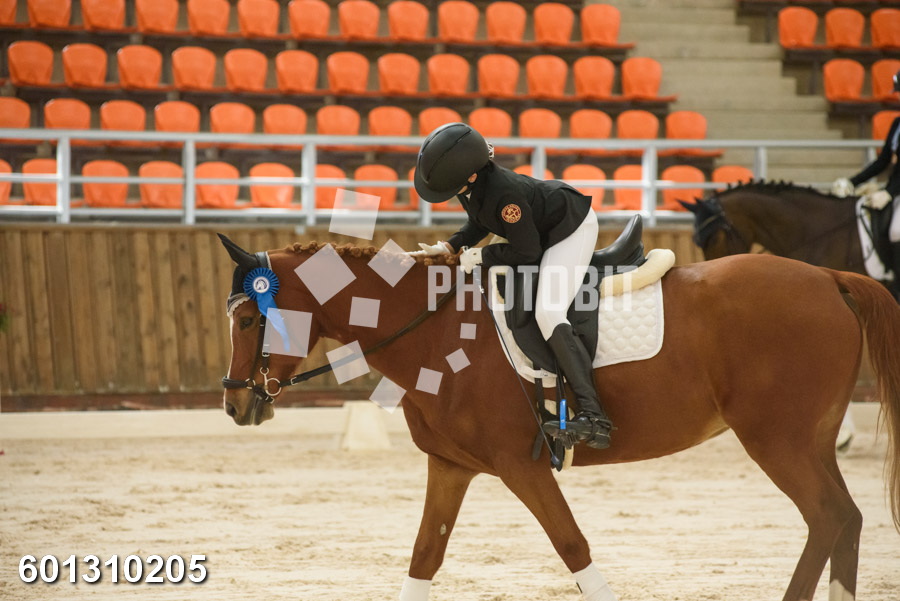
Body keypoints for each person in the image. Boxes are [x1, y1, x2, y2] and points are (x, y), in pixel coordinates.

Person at [410, 122, 613, 450]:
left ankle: (594, 416)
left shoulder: (506, 195)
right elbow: (480, 220)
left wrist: (481, 255)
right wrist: (450, 246)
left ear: (471, 177)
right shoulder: (474, 182)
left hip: (570, 227)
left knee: (548, 311)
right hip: (540, 227)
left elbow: (527, 252)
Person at [832, 69, 900, 286]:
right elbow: (883, 161)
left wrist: (889, 193)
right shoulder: (897, 124)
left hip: (895, 191)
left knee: (897, 230)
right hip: (895, 190)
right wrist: (852, 181)